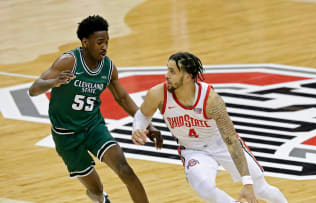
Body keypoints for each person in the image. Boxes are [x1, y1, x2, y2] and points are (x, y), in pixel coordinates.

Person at [29, 15, 161, 203]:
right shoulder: (69, 61)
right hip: (66, 135)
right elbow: (34, 89)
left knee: (125, 169)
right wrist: (54, 82)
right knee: (95, 189)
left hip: (94, 128)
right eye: (100, 42)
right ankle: (100, 198)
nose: (105, 47)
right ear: (85, 42)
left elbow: (122, 98)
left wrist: (148, 124)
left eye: (107, 42)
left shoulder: (108, 68)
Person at [132, 52, 288, 203]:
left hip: (221, 143)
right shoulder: (158, 94)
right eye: (167, 69)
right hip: (193, 149)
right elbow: (143, 114)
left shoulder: (211, 100)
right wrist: (138, 128)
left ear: (187, 77)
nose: (166, 75)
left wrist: (247, 183)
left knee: (260, 189)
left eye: (172, 72)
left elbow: (231, 139)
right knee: (205, 189)